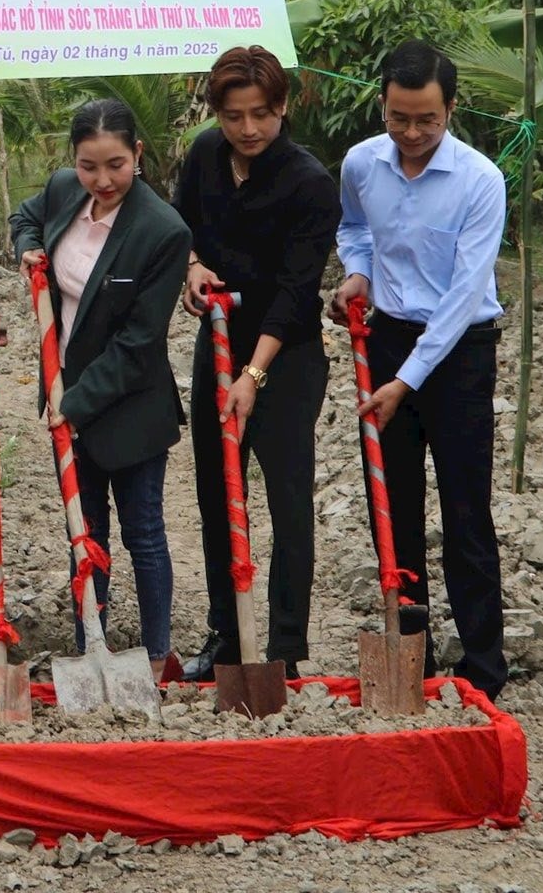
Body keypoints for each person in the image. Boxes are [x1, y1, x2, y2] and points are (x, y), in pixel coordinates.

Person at [330, 40, 509, 699]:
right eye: (399, 118)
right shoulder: (360, 165)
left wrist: (406, 382)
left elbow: (465, 294)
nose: (411, 134)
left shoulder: (480, 181)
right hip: (385, 340)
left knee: (466, 511)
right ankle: (413, 658)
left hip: (460, 354)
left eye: (426, 121)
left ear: (450, 110)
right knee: (393, 509)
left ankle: (483, 668)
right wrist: (357, 275)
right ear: (382, 105)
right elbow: (355, 231)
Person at [173, 46, 341, 683]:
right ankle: (227, 633)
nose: (248, 130)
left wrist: (254, 375)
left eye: (262, 114)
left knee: (287, 500)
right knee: (219, 494)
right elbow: (180, 224)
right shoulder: (205, 160)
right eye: (235, 116)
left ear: (284, 107)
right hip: (217, 345)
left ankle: (285, 646)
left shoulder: (309, 183)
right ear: (216, 113)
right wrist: (191, 269)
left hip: (286, 358)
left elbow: (297, 293)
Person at [11, 98, 192, 681]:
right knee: (83, 531)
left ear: (137, 155)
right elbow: (25, 217)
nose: (104, 180)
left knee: (143, 533)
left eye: (116, 164)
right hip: (68, 399)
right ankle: (92, 641)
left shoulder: (162, 230)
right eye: (90, 166)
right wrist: (26, 250)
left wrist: (73, 406)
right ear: (74, 162)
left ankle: (158, 654)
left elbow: (139, 343)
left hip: (129, 405)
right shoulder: (66, 189)